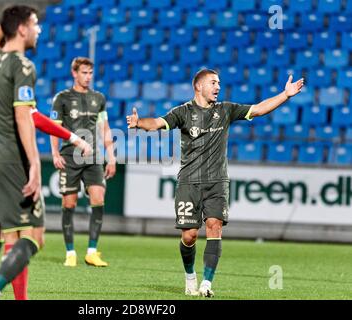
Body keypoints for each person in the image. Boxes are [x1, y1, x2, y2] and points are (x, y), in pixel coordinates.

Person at [0, 26, 91, 300]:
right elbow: (33, 117)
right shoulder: (6, 79)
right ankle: (16, 297)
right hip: (1, 165)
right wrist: (73, 137)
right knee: (15, 237)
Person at [126, 69, 304, 297]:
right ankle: (190, 276)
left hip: (217, 181)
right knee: (189, 235)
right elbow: (158, 123)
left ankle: (207, 283)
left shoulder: (226, 110)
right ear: (199, 86)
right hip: (189, 182)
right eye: (213, 82)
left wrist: (285, 95)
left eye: (219, 82)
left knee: (214, 226)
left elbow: (258, 109)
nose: (218, 86)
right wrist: (140, 122)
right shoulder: (183, 112)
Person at [0, 5, 55, 300]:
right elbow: (24, 117)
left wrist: (3, 24)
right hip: (8, 159)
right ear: (21, 29)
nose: (39, 29)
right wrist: (34, 164)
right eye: (34, 23)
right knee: (35, 236)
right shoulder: (23, 66)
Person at [51, 57, 116, 267]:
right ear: (74, 73)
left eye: (90, 73)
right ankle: (70, 252)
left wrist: (111, 156)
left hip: (94, 157)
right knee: (69, 203)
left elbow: (104, 128)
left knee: (98, 197)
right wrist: (55, 153)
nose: (88, 77)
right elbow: (54, 128)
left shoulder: (99, 98)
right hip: (70, 156)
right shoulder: (62, 98)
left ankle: (91, 251)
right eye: (84, 73)